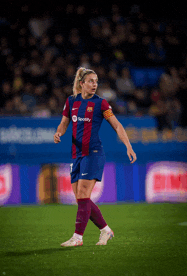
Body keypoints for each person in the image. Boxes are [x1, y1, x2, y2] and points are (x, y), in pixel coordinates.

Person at [54, 67, 137, 247]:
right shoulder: (71, 102)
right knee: (81, 199)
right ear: (82, 84)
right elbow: (63, 123)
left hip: (93, 154)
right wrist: (58, 133)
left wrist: (128, 145)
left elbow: (117, 125)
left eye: (96, 81)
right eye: (91, 81)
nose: (94, 85)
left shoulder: (101, 104)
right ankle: (106, 230)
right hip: (76, 155)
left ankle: (77, 237)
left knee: (83, 195)